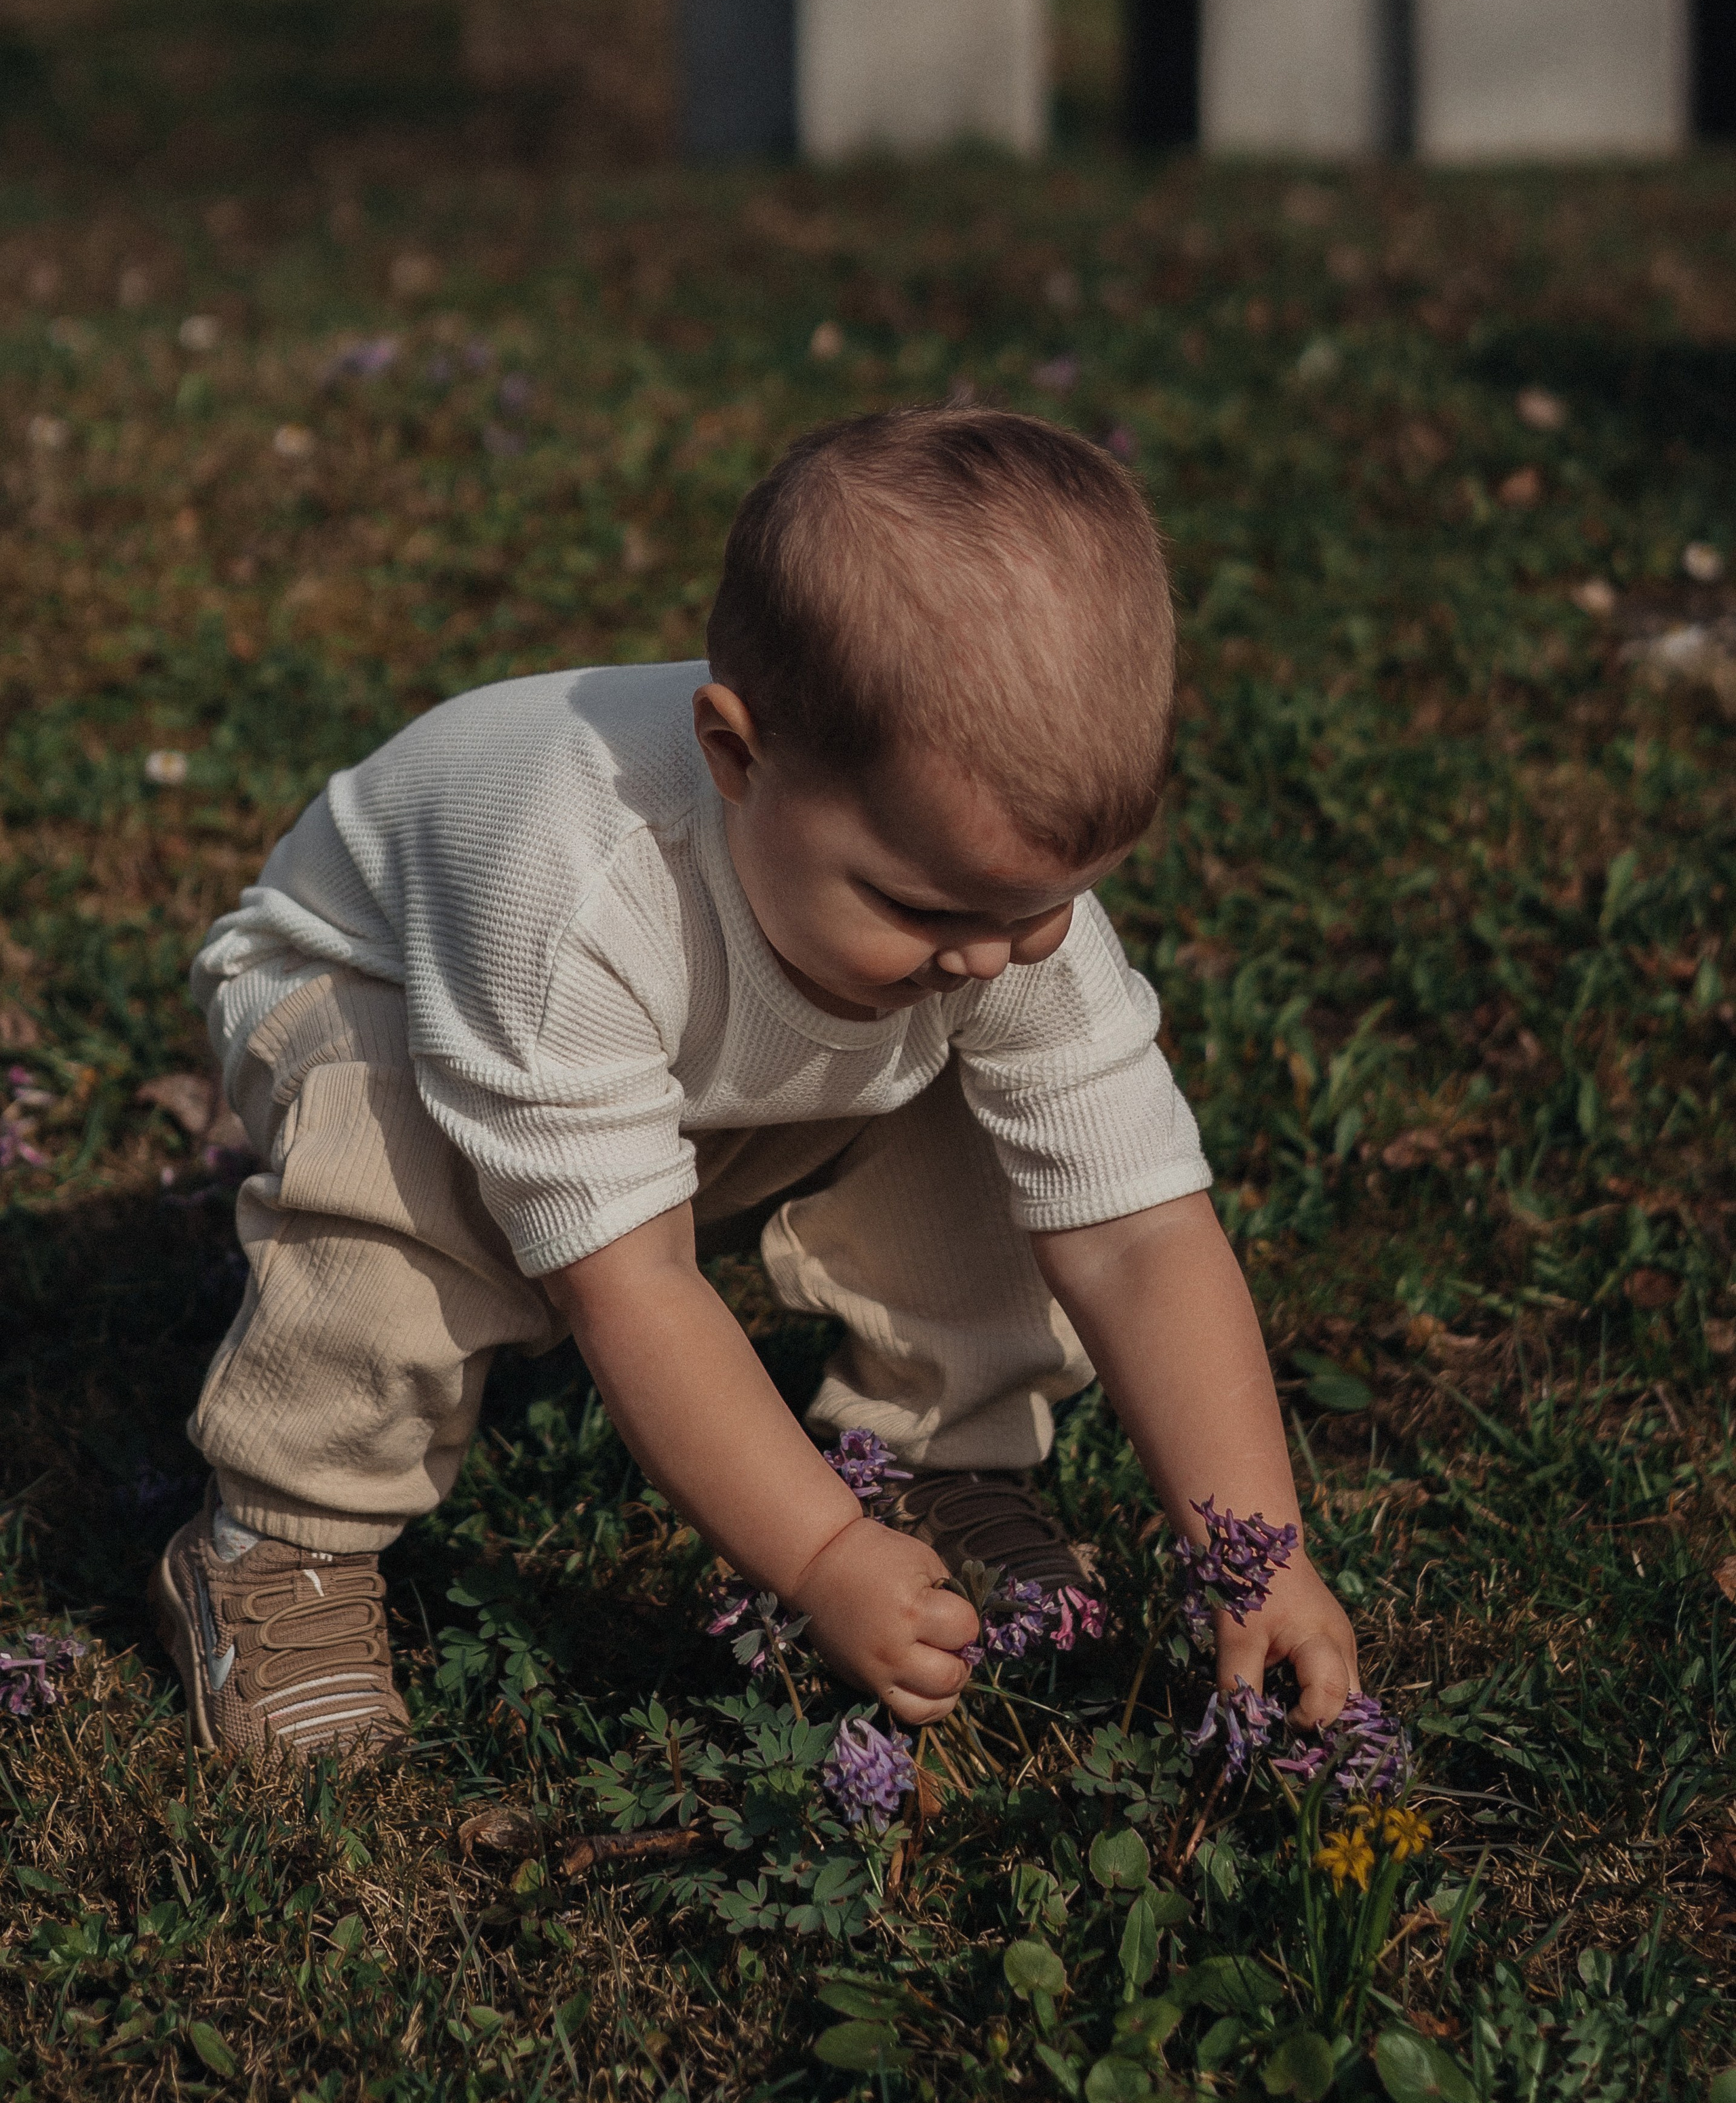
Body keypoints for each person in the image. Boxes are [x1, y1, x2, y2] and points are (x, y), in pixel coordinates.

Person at [150, 406, 1358, 1762]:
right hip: (382, 995)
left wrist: (1257, 1554)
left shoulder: (984, 905)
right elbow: (634, 1288)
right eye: (921, 906)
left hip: (686, 1061)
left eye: (1041, 908)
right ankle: (283, 1542)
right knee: (401, 1193)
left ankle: (941, 1457)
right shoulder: (577, 892)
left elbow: (1137, 1232)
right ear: (734, 755)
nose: (986, 953)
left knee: (984, 1108)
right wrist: (820, 1556)